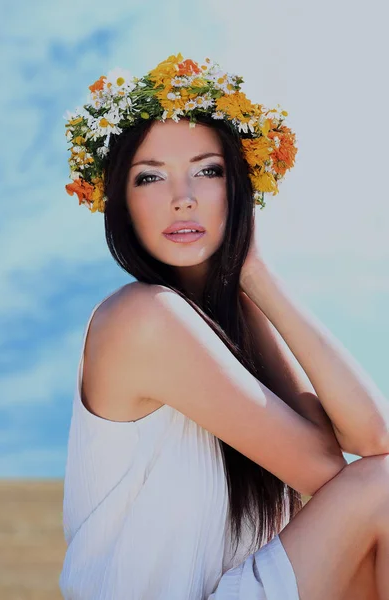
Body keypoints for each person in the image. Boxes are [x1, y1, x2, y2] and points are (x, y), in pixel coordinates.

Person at [59, 54, 389, 600]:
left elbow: (372, 436)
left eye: (208, 170)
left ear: (239, 188)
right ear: (120, 201)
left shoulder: (230, 317)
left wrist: (254, 273)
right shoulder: (144, 317)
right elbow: (332, 470)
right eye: (149, 177)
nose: (182, 196)